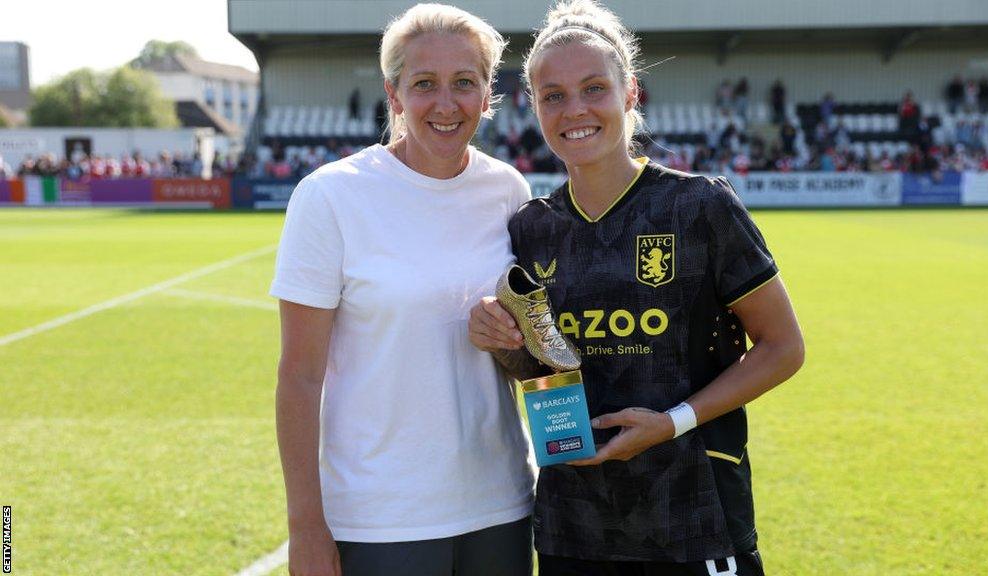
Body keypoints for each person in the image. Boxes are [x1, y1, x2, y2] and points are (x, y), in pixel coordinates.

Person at [468, 1, 805, 574]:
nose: (575, 110)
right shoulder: (530, 227)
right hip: (575, 524)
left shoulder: (699, 205)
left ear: (631, 94)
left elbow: (783, 348)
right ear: (535, 108)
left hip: (694, 511)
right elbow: (544, 363)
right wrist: (497, 336)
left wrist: (671, 422)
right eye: (554, 95)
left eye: (594, 88)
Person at [271, 4, 535, 576]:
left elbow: (531, 352)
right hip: (381, 519)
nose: (446, 103)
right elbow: (299, 376)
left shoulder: (508, 189)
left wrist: (506, 338)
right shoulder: (331, 197)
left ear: (488, 93)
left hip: (503, 506)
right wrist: (306, 528)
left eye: (465, 83)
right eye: (424, 84)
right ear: (394, 95)